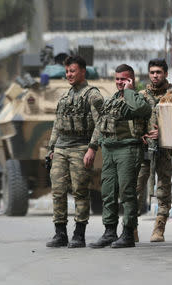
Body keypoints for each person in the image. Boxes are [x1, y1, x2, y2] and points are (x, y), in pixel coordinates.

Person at [90, 64, 151, 249]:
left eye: (123, 79)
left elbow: (142, 110)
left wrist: (130, 91)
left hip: (128, 148)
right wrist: (92, 147)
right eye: (117, 79)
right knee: (108, 192)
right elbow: (100, 124)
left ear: (131, 80)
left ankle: (128, 234)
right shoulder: (111, 100)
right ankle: (109, 232)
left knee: (127, 192)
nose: (119, 82)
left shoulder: (138, 98)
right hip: (109, 149)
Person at [46, 55, 104, 248]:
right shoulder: (64, 96)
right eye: (67, 71)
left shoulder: (93, 95)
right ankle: (60, 233)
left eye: (73, 70)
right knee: (58, 191)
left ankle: (79, 234)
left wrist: (92, 149)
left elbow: (100, 124)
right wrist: (51, 148)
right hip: (62, 147)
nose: (69, 74)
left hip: (81, 147)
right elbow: (57, 125)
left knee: (80, 191)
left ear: (82, 71)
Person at [136, 59, 172, 242]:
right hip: (144, 149)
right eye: (152, 72)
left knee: (164, 189)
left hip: (165, 149)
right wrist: (140, 134)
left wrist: (163, 132)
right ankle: (131, 227)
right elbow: (133, 121)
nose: (155, 75)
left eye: (158, 72)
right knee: (136, 187)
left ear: (165, 73)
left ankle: (159, 228)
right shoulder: (141, 95)